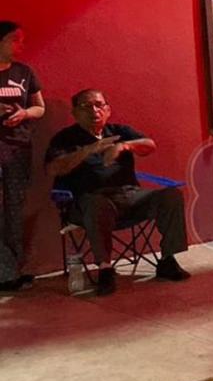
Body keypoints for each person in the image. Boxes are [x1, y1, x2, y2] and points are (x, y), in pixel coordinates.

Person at [45, 89, 191, 296]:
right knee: (97, 204)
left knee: (170, 196)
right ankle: (105, 269)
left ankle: (167, 260)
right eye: (86, 106)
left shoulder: (118, 131)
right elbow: (53, 169)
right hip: (87, 202)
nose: (94, 111)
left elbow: (149, 145)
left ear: (108, 110)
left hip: (128, 196)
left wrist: (124, 146)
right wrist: (88, 150)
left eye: (99, 105)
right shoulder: (65, 138)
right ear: (75, 113)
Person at [0, 21, 45, 292]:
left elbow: (40, 107)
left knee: (15, 209)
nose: (20, 45)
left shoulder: (24, 72)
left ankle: (13, 269)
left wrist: (24, 113)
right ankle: (4, 271)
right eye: (15, 40)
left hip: (18, 148)